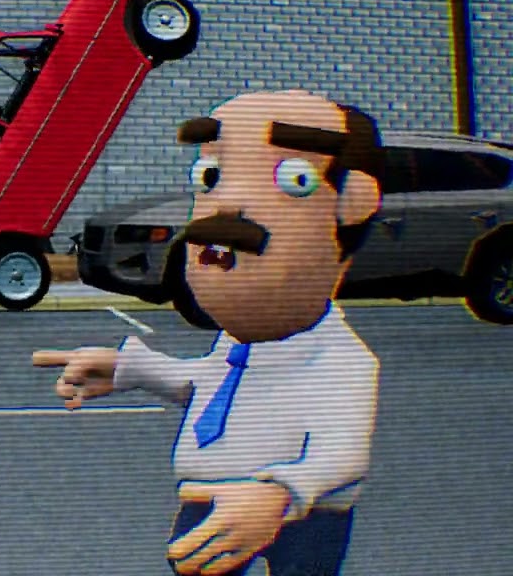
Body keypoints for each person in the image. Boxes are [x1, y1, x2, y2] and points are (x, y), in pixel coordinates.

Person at [32, 89, 386, 576]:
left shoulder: (342, 360)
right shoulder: (237, 343)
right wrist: (131, 368)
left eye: (295, 180)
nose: (228, 209)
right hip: (207, 501)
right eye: (210, 176)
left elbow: (343, 453)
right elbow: (210, 385)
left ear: (350, 204)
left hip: (302, 516)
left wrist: (279, 495)